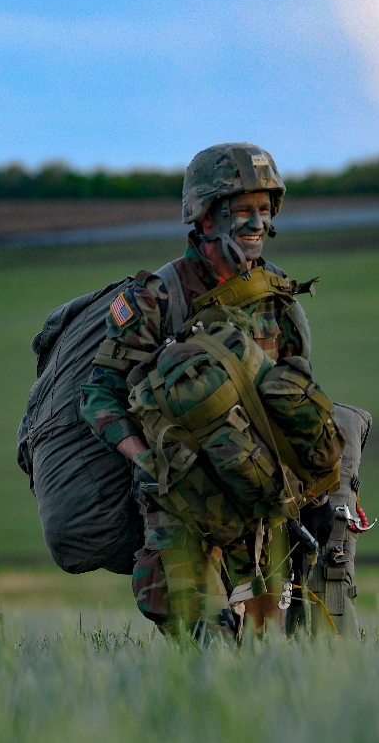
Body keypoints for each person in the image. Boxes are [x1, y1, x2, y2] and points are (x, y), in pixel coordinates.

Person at [80, 143, 329, 640]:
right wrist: (145, 460)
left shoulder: (275, 294)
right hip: (183, 502)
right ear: (206, 217)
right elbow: (99, 396)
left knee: (267, 655)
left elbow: (295, 389)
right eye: (242, 211)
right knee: (207, 648)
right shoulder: (156, 298)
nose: (257, 223)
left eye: (264, 209)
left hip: (260, 501)